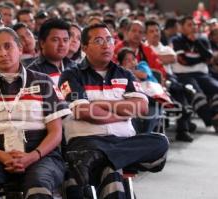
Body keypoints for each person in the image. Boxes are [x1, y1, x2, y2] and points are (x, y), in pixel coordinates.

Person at [59, 23, 169, 199]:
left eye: (109, 39)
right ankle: (100, 157)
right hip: (87, 141)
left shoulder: (125, 74)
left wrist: (100, 103)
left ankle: (96, 157)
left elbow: (142, 107)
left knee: (160, 142)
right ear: (85, 47)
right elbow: (84, 111)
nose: (106, 45)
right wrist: (121, 114)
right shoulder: (72, 75)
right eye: (99, 40)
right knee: (111, 170)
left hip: (121, 142)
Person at [0, 27, 71, 199]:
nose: (3, 53)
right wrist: (3, 157)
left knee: (38, 187)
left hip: (41, 154)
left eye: (8, 46)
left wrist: (31, 157)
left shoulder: (43, 82)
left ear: (19, 49)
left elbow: (56, 133)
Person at [145, 20, 196, 142]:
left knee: (177, 90)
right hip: (152, 79)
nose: (155, 33)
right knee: (180, 89)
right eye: (151, 31)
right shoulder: (143, 49)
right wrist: (159, 59)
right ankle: (185, 110)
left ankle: (183, 130)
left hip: (169, 77)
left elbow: (172, 58)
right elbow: (149, 63)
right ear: (145, 34)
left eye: (157, 30)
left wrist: (153, 59)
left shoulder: (166, 48)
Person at [171, 15, 218, 132]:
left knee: (216, 89)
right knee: (197, 94)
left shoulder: (202, 40)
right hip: (184, 75)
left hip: (203, 75)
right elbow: (184, 60)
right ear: (181, 27)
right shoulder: (177, 40)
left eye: (194, 25)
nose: (193, 27)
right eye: (189, 25)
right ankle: (212, 120)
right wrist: (201, 59)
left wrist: (196, 42)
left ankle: (216, 116)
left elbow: (209, 58)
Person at [27, 18, 76, 85]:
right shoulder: (32, 72)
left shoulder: (75, 67)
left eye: (65, 40)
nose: (62, 44)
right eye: (55, 40)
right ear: (42, 43)